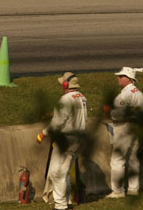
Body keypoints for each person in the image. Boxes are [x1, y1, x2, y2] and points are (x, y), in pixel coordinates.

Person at [36, 71, 88, 210]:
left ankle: (61, 205)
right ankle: (67, 200)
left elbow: (57, 123)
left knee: (56, 173)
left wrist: (43, 133)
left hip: (66, 139)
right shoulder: (82, 97)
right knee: (64, 172)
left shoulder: (65, 99)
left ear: (66, 84)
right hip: (78, 138)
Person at [104, 67, 143, 198]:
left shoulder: (124, 95)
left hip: (123, 127)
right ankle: (134, 188)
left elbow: (118, 113)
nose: (118, 78)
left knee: (117, 160)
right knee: (133, 159)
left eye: (121, 76)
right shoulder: (138, 93)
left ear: (128, 79)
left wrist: (108, 111)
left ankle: (118, 191)